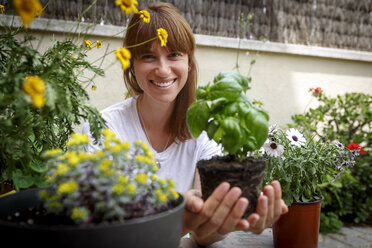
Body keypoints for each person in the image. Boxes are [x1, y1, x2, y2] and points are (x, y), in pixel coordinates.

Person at [83, 2, 288, 246]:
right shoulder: (105, 126)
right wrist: (180, 221)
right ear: (131, 65)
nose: (162, 69)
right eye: (148, 56)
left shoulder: (205, 129)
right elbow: (105, 230)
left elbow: (203, 236)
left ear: (189, 62)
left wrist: (228, 218)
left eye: (174, 55)